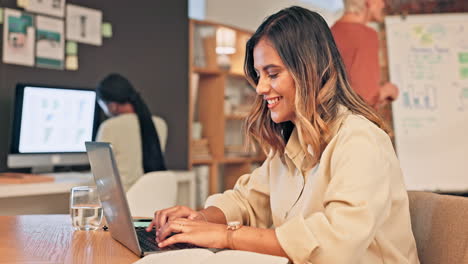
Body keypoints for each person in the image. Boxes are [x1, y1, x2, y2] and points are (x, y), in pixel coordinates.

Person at [147, 6, 420, 264]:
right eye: (258, 75)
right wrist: (200, 219)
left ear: (309, 69)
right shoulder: (293, 142)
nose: (261, 87)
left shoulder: (360, 140)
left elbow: (336, 244)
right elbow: (247, 200)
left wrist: (227, 236)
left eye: (272, 74)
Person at [96, 73, 167, 192]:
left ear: (112, 106)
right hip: (153, 198)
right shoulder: (160, 124)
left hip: (124, 203)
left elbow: (100, 176)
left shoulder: (109, 127)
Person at [331, 0, 399, 109]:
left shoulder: (330, 32)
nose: (383, 4)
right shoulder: (367, 36)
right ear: (369, 2)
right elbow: (365, 99)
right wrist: (386, 91)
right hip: (354, 120)